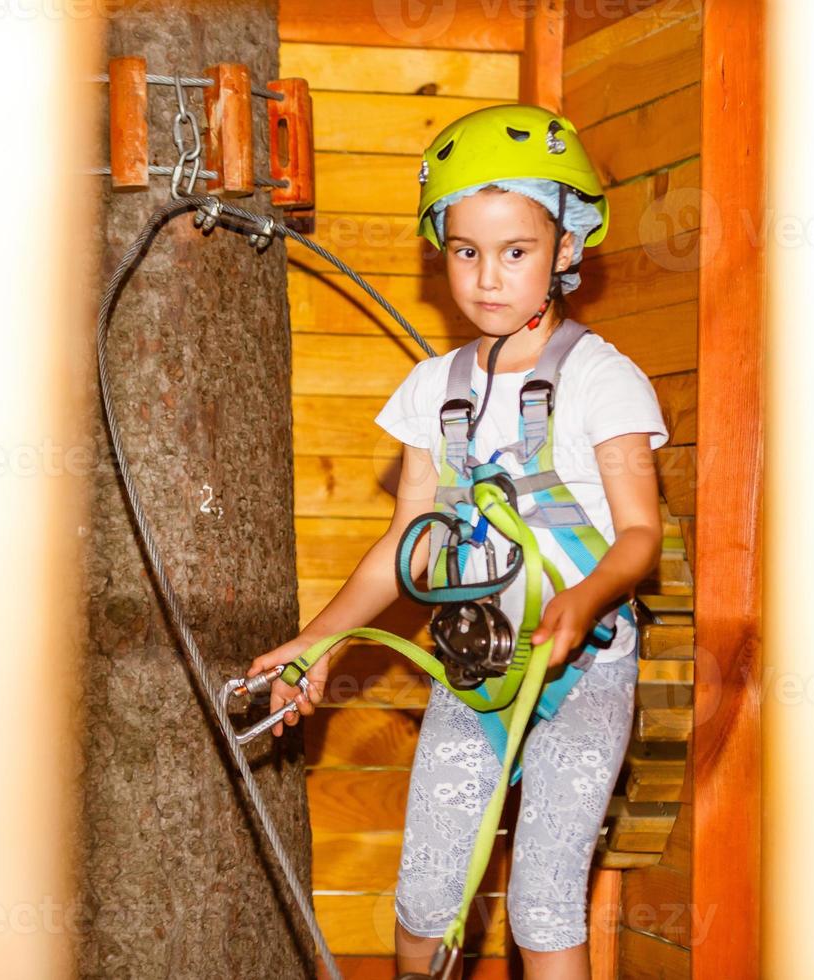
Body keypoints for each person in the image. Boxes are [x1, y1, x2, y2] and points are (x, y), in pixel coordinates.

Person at [245, 104, 669, 979]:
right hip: (477, 668)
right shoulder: (432, 390)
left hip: (583, 666)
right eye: (466, 249)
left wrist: (582, 604)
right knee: (427, 895)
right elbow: (406, 537)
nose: (487, 276)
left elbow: (638, 539)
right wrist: (315, 644)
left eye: (515, 251)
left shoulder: (601, 378)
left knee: (545, 904)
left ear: (565, 249)